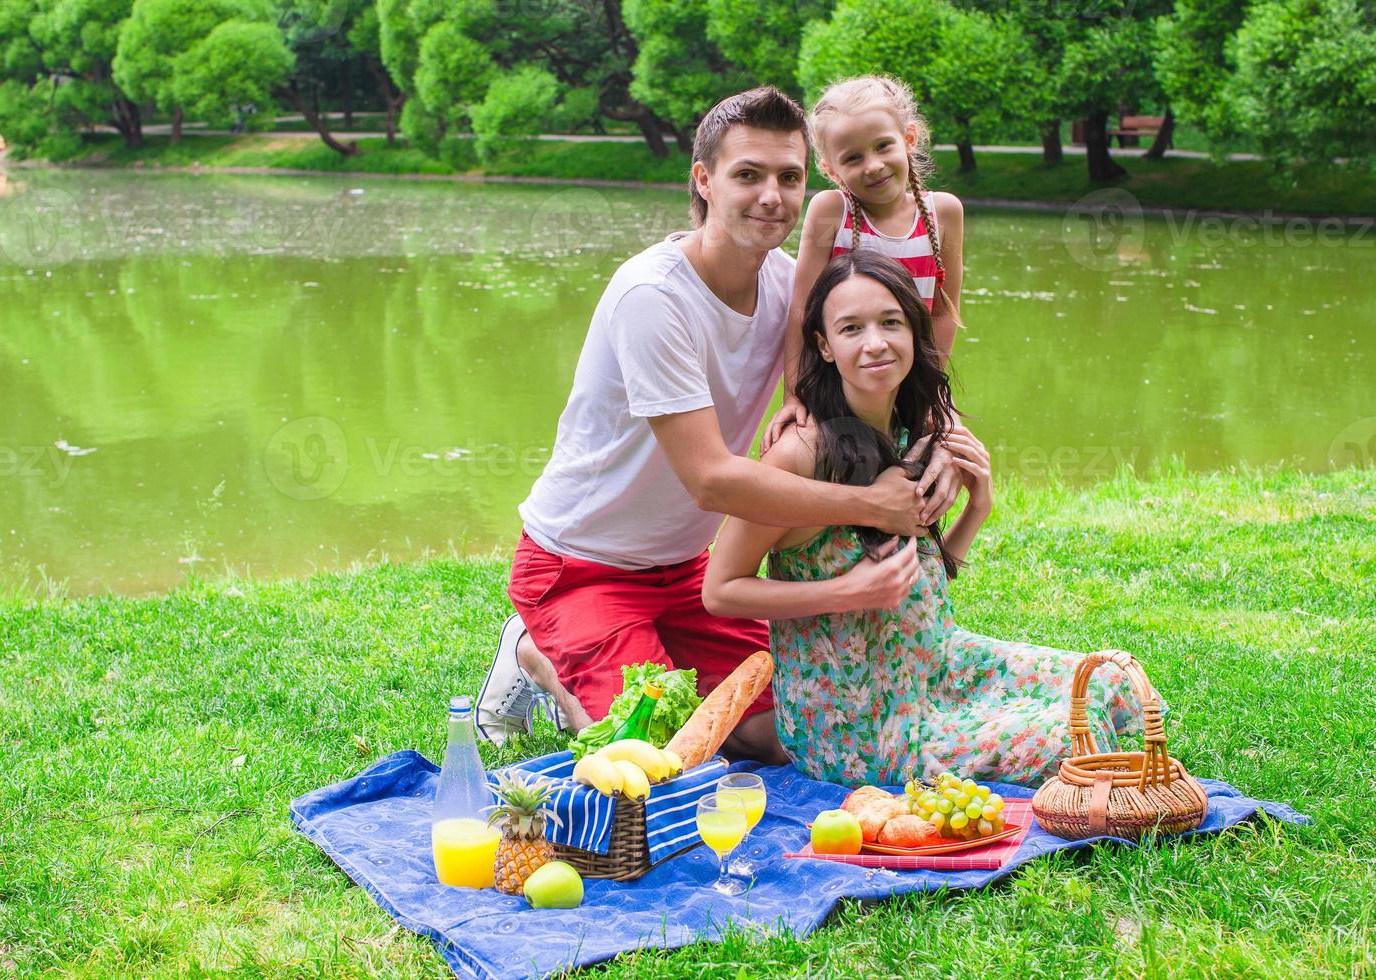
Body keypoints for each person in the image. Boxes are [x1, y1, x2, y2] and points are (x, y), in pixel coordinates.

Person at [475, 87, 965, 758]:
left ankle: (596, 657)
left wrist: (940, 441)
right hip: (581, 566)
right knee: (659, 756)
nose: (773, 196)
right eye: (748, 175)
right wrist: (872, 507)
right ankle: (535, 650)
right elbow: (710, 479)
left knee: (784, 731)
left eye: (790, 177)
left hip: (686, 571)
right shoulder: (653, 296)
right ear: (704, 181)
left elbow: (882, 365)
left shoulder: (790, 288)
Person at [702, 250, 1141, 785]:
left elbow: (924, 578)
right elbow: (720, 590)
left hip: (939, 665)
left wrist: (977, 508)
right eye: (851, 328)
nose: (875, 343)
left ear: (914, 331)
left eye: (891, 322)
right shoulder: (801, 455)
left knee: (1112, 686)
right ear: (824, 345)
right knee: (1075, 734)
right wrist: (849, 591)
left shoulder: (913, 433)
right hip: (859, 724)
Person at [765, 73, 965, 454]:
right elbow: (801, 310)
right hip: (837, 381)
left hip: (905, 378)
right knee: (836, 466)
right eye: (853, 158)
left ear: (909, 139)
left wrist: (931, 394)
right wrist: (793, 397)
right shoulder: (831, 211)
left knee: (914, 469)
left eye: (883, 146)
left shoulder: (944, 213)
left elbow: (941, 312)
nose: (872, 165)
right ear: (831, 170)